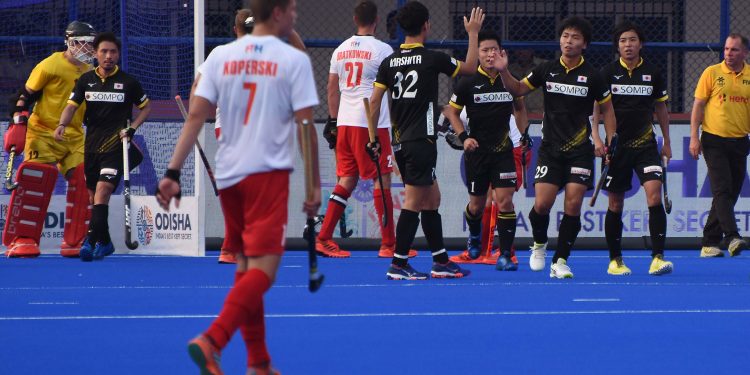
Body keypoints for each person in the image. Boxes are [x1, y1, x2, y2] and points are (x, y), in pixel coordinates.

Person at [156, 0, 320, 373]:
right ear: (277, 13)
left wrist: (173, 172)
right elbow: (306, 126)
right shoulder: (293, 60)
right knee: (266, 270)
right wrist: (313, 186)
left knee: (246, 267)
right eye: (291, 10)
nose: (295, 16)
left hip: (229, 175)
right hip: (267, 173)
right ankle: (213, 339)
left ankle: (259, 363)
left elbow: (197, 115)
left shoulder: (219, 56)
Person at [494, 16, 617, 278]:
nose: (568, 41)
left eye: (575, 37)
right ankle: (539, 244)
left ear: (584, 44)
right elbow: (517, 89)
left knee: (573, 205)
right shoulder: (546, 69)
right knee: (542, 205)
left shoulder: (593, 76)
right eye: (565, 36)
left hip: (580, 151)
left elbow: (607, 110)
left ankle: (560, 260)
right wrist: (504, 70)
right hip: (550, 150)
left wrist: (609, 140)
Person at [369, 1, 484, 280]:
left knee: (432, 199)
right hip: (421, 140)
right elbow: (470, 67)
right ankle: (398, 263)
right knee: (413, 202)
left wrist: (373, 139)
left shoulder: (389, 62)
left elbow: (373, 103)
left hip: (400, 141)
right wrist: (472, 33)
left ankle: (440, 261)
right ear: (426, 26)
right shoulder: (433, 58)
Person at [317, 0, 416, 259]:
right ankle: (388, 244)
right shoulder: (382, 49)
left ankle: (324, 237)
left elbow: (331, 87)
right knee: (382, 178)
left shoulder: (340, 50)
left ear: (354, 19)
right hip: (371, 122)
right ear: (376, 21)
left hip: (345, 122)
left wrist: (332, 121)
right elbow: (395, 88)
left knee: (347, 179)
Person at [210, 8, 306, 264]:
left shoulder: (221, 55)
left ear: (235, 30)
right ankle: (240, 244)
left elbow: (200, 90)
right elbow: (302, 57)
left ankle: (233, 246)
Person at [3, 21, 97, 258]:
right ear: (69, 42)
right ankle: (23, 238)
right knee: (35, 181)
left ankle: (75, 240)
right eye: (82, 44)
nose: (87, 49)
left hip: (74, 136)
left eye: (90, 45)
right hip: (43, 132)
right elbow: (24, 95)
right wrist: (18, 120)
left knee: (86, 178)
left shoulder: (90, 71)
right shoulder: (50, 65)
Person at [56, 32, 150, 261]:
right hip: (92, 146)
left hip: (116, 146)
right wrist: (62, 124)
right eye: (104, 52)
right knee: (94, 199)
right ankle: (106, 242)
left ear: (118, 55)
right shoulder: (85, 80)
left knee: (103, 191)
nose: (108, 56)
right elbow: (71, 106)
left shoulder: (129, 83)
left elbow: (146, 108)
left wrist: (133, 128)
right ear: (95, 54)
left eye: (113, 52)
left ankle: (89, 240)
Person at [591, 21, 673, 275]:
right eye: (623, 41)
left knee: (654, 194)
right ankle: (615, 260)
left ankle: (657, 257)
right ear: (617, 46)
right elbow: (597, 109)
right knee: (615, 203)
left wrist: (667, 143)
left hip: (646, 145)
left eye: (633, 40)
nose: (628, 45)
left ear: (641, 44)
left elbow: (661, 109)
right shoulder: (606, 73)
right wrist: (597, 138)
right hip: (617, 148)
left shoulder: (653, 72)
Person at [443, 30, 530, 271]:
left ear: (502, 53)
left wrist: (522, 136)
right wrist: (464, 136)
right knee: (477, 206)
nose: (490, 54)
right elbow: (450, 111)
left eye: (494, 49)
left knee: (505, 202)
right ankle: (474, 238)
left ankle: (504, 255)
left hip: (504, 152)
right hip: (477, 154)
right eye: (484, 50)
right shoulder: (467, 82)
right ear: (478, 55)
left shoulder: (509, 80)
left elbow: (520, 107)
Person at [689, 33, 750, 258]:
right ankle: (732, 236)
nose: (728, 54)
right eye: (726, 49)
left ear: (745, 53)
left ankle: (709, 242)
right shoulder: (712, 73)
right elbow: (698, 106)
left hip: (740, 140)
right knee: (722, 188)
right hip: (714, 139)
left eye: (734, 50)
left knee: (731, 192)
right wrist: (694, 137)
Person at [508, 49, 546, 113]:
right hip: (518, 112)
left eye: (525, 49)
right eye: (518, 49)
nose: (521, 52)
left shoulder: (543, 65)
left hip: (539, 112)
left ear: (531, 50)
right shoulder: (510, 69)